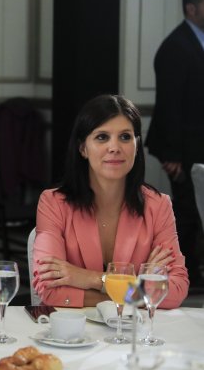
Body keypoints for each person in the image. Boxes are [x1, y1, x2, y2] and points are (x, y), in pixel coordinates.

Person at [32, 95, 189, 308]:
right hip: (74, 335)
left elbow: (177, 290)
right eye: (102, 137)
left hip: (136, 334)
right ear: (82, 148)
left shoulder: (158, 206)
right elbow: (49, 290)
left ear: (136, 144)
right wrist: (140, 289)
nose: (114, 147)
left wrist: (89, 278)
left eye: (125, 137)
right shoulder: (53, 203)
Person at [146, 0, 204, 288]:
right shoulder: (176, 46)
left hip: (197, 146)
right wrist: (170, 155)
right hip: (180, 149)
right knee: (186, 212)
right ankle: (188, 276)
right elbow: (169, 105)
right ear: (191, 9)